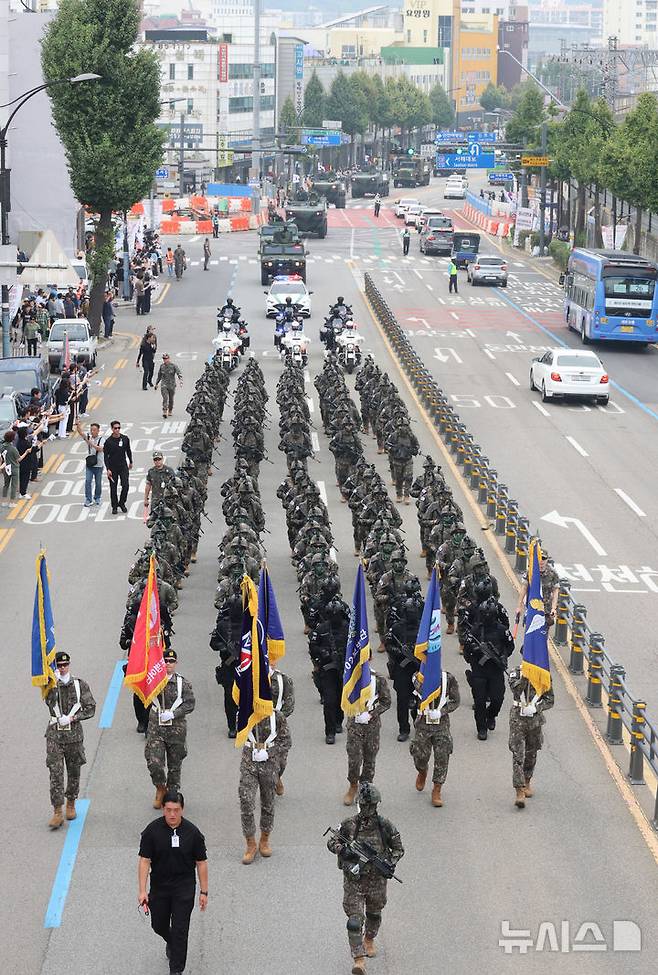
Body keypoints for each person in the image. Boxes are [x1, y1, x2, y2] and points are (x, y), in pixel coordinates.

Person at [327, 783, 404, 974]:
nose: (369, 809)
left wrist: (389, 863)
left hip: (376, 881)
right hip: (354, 880)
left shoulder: (385, 826)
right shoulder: (349, 824)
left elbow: (398, 848)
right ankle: (359, 960)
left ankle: (369, 938)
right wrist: (343, 850)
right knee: (354, 921)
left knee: (374, 914)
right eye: (367, 805)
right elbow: (331, 841)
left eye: (373, 805)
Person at [138, 791, 208, 975]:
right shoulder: (152, 831)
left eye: (176, 810)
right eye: (168, 810)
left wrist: (204, 892)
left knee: (180, 931)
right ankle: (171, 941)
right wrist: (142, 890)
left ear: (182, 809)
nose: (172, 814)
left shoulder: (193, 833)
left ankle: (176, 970)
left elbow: (201, 863)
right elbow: (145, 860)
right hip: (160, 886)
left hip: (184, 887)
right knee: (158, 925)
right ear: (163, 809)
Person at [44, 651, 96, 828]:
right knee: (56, 773)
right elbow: (48, 702)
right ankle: (57, 811)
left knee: (74, 772)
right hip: (55, 736)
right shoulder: (50, 685)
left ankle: (71, 803)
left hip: (74, 736)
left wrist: (73, 718)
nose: (62, 668)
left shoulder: (80, 685)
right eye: (59, 665)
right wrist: (53, 683)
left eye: (65, 665)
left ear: (69, 665)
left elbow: (91, 708)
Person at [145, 649, 195, 809]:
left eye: (171, 661)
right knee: (154, 763)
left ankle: (172, 796)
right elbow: (136, 678)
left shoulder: (183, 683)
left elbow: (190, 704)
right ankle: (160, 788)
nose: (168, 664)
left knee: (175, 765)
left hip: (176, 730)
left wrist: (174, 714)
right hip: (156, 728)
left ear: (176, 663)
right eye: (165, 661)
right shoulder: (152, 680)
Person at [239, 708, 287, 864]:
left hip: (269, 764)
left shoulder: (277, 716)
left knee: (268, 802)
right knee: (246, 801)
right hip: (249, 763)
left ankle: (265, 839)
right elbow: (239, 733)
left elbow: (286, 741)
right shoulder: (244, 712)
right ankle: (250, 843)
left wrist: (270, 752)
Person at [410, 671, 460, 807]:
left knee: (442, 757)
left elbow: (456, 701)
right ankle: (422, 770)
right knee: (419, 755)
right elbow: (422, 689)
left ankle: (437, 788)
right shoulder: (417, 677)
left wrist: (442, 711)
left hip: (441, 725)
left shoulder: (448, 678)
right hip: (423, 725)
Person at [508, 667, 554, 808]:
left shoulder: (544, 675)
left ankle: (527, 780)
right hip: (518, 720)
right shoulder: (515, 673)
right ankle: (519, 791)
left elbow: (550, 700)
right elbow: (516, 690)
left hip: (535, 720)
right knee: (518, 755)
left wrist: (537, 708)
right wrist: (525, 676)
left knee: (531, 753)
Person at [343, 669, 391, 806]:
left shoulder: (378, 680)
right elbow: (344, 698)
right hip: (354, 725)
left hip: (372, 726)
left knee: (370, 758)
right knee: (354, 759)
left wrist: (372, 713)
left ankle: (366, 788)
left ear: (369, 658)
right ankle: (353, 786)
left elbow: (386, 702)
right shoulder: (350, 678)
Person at [103, 419, 133, 514]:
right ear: (112, 429)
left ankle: (122, 502)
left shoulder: (125, 439)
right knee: (113, 487)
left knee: (125, 485)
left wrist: (130, 461)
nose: (117, 430)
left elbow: (128, 450)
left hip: (123, 466)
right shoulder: (108, 441)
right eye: (115, 428)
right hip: (112, 467)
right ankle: (114, 506)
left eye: (119, 428)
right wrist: (108, 469)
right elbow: (105, 456)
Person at [76, 417, 104, 507]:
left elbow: (100, 449)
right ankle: (88, 499)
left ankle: (97, 497)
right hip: (90, 464)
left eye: (94, 430)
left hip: (99, 465)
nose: (92, 432)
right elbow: (81, 433)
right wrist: (78, 425)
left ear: (98, 431)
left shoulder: (102, 439)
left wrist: (91, 443)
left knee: (98, 483)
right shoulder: (88, 437)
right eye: (91, 430)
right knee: (88, 481)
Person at [155, 353, 183, 419]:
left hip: (172, 385)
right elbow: (159, 376)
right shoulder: (162, 366)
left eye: (166, 359)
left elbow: (179, 373)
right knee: (165, 398)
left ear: (169, 359)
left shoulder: (173, 366)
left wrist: (181, 381)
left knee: (171, 399)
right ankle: (165, 411)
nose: (165, 360)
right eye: (164, 359)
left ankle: (170, 409)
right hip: (164, 384)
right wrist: (156, 384)